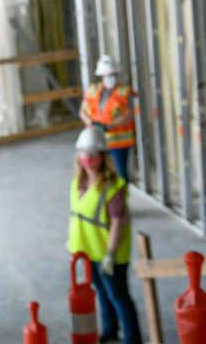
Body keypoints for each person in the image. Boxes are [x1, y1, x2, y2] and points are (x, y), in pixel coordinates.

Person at [68, 127, 142, 344]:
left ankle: (132, 338)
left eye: (94, 154)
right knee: (101, 293)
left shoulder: (112, 187)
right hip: (89, 252)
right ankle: (110, 329)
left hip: (110, 254)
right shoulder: (77, 183)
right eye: (85, 154)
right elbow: (77, 217)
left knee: (119, 297)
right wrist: (72, 243)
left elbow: (119, 223)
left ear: (103, 156)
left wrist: (110, 254)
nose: (89, 159)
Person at [80, 54, 136, 183]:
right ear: (102, 76)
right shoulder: (92, 91)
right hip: (97, 141)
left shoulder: (124, 92)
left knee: (121, 172)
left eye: (113, 74)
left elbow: (129, 114)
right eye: (108, 75)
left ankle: (121, 199)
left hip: (119, 142)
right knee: (100, 172)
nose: (111, 78)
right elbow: (82, 112)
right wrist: (92, 124)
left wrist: (109, 126)